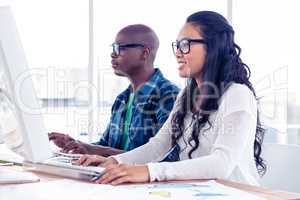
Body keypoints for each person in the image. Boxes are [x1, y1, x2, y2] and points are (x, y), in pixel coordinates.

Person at [75, 11, 267, 186]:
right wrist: (115, 161)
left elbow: (221, 163)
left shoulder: (237, 94)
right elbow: (160, 145)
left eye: (185, 45)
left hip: (236, 193)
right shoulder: (187, 96)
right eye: (177, 45)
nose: (177, 53)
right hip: (196, 191)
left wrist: (149, 171)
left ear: (213, 47)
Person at [49, 24, 179, 157]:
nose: (113, 54)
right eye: (113, 48)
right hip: (113, 176)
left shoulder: (169, 96)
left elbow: (165, 156)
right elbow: (105, 146)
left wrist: (93, 149)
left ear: (144, 53)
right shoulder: (122, 99)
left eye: (119, 48)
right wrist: (76, 145)